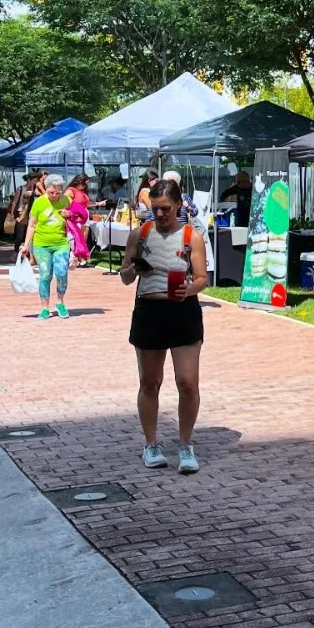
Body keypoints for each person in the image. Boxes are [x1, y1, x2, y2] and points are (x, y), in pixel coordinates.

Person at [120, 178, 209, 475]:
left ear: (179, 205)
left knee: (187, 382)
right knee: (150, 382)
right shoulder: (140, 234)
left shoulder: (191, 236)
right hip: (149, 311)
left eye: (165, 209)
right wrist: (134, 266)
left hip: (182, 312)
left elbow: (201, 277)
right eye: (154, 209)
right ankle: (151, 444)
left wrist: (189, 290)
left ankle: (186, 444)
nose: (159, 215)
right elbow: (125, 276)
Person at [22, 173, 72, 320]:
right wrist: (26, 246)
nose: (55, 196)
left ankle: (60, 302)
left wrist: (69, 214)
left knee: (62, 272)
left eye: (58, 192)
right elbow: (31, 226)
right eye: (51, 192)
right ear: (45, 188)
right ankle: (44, 307)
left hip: (61, 243)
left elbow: (78, 216)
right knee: (45, 274)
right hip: (41, 244)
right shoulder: (39, 202)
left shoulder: (66, 200)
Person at [63, 173, 92, 266]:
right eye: (84, 184)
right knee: (75, 237)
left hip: (83, 216)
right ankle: (79, 258)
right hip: (75, 217)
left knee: (82, 238)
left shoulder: (82, 192)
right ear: (79, 182)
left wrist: (98, 204)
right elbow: (65, 203)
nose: (85, 186)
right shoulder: (70, 191)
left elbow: (87, 203)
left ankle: (81, 257)